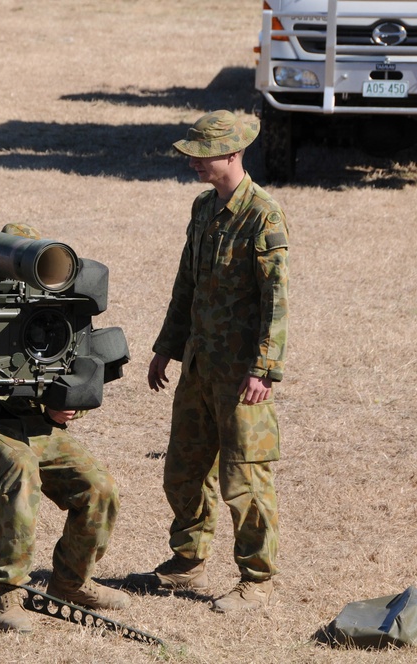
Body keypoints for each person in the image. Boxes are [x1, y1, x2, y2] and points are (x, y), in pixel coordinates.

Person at [0, 223, 131, 633]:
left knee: (99, 488)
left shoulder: (53, 306)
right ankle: (8, 594)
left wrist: (62, 411)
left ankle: (72, 582)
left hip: (36, 424)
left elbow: (76, 369)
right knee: (20, 470)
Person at [142, 110, 289, 612]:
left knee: (245, 479)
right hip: (199, 366)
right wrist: (167, 345)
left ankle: (257, 580)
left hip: (242, 375)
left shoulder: (263, 215)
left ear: (231, 154)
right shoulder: (203, 208)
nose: (192, 162)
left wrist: (265, 369)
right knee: (183, 470)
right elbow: (187, 283)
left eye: (201, 153)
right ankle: (188, 561)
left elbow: (276, 300)